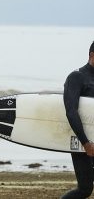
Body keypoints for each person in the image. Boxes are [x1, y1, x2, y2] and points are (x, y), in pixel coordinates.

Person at [63, 40, 94, 199]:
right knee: (85, 189)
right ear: (92, 55)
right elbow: (71, 111)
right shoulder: (77, 77)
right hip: (81, 141)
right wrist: (86, 143)